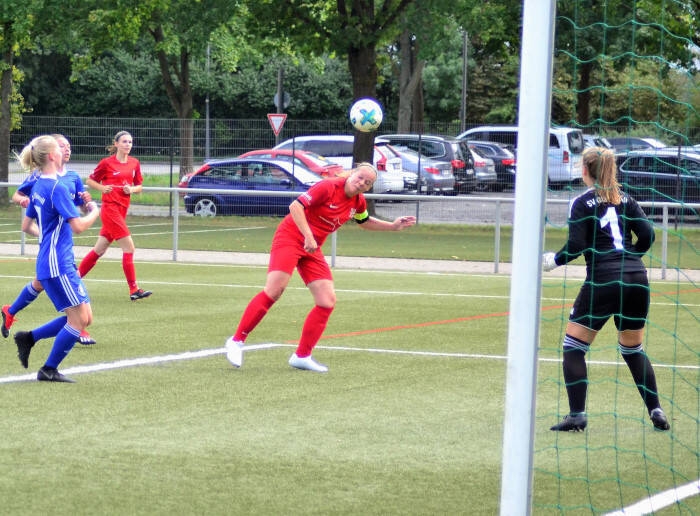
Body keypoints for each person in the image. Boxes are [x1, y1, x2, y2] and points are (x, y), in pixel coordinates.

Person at [225, 163, 416, 372]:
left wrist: (393, 226)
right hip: (290, 238)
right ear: (352, 174)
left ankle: (302, 356)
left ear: (369, 187)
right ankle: (236, 341)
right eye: (360, 177)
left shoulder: (358, 201)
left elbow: (364, 221)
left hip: (312, 247)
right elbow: (295, 206)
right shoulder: (328, 187)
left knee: (327, 301)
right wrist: (308, 236)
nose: (362, 183)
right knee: (274, 290)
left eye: (367, 182)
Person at [543, 147, 670, 431]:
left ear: (585, 170)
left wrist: (554, 260)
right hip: (637, 278)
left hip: (604, 279)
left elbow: (576, 245)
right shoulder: (625, 198)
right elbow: (648, 234)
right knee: (633, 349)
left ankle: (577, 415)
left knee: (573, 347)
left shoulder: (581, 202)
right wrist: (631, 258)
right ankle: (656, 409)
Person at [12, 135, 100, 382]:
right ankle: (48, 369)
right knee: (78, 320)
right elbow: (78, 226)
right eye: (60, 149)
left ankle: (29, 338)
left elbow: (27, 225)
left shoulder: (39, 184)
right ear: (52, 155)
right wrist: (95, 211)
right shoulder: (56, 187)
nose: (64, 152)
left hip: (55, 261)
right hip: (57, 264)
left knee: (86, 318)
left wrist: (48, 237)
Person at [77, 130, 152, 301]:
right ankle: (134, 289)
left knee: (99, 250)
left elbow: (139, 186)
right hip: (110, 210)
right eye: (124, 141)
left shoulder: (134, 163)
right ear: (116, 144)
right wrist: (102, 188)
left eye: (130, 142)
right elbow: (90, 181)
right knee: (129, 248)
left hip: (122, 210)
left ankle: (73, 280)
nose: (128, 145)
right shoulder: (107, 163)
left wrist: (131, 189)